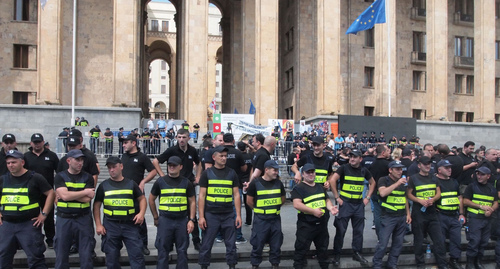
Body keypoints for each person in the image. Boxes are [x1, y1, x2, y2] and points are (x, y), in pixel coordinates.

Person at [0, 150, 55, 268]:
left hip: (28, 225)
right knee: (3, 257)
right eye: (8, 163)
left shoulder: (35, 178)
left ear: (22, 162)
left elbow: (51, 193)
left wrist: (44, 214)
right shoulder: (3, 179)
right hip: (7, 225)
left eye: (14, 162)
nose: (10, 165)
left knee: (35, 257)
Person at [152, 128, 202, 250]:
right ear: (176, 138)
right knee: (171, 213)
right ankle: (168, 242)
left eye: (184, 137)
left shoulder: (192, 150)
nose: (181, 140)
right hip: (173, 185)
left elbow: (199, 163)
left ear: (188, 138)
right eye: (179, 137)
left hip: (188, 184)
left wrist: (198, 177)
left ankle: (196, 241)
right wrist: (162, 176)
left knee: (192, 213)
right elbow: (155, 161)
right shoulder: (172, 150)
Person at [93, 156, 147, 269]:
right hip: (111, 226)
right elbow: (96, 205)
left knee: (137, 256)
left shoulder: (131, 184)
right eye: (109, 168)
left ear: (121, 166)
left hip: (130, 225)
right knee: (111, 259)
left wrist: (141, 213)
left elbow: (142, 199)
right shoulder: (103, 186)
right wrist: (98, 224)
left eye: (114, 167)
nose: (112, 170)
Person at [198, 146, 241, 269]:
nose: (224, 158)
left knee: (231, 245)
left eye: (225, 156)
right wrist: (201, 217)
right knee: (206, 244)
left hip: (228, 214)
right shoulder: (207, 174)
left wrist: (238, 215)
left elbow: (236, 195)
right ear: (214, 157)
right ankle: (204, 266)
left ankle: (232, 266)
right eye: (221, 156)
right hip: (211, 214)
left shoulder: (232, 173)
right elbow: (201, 196)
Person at [149, 156, 196, 269]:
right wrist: (156, 217)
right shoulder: (160, 182)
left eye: (174, 165)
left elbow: (192, 202)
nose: (171, 167)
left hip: (181, 220)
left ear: (180, 167)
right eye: (170, 165)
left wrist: (191, 220)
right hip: (165, 220)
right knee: (162, 249)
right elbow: (151, 199)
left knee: (182, 250)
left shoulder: (186, 182)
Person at [330, 148, 375, 267]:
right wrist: (337, 197)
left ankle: (357, 253)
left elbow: (373, 183)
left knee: (358, 232)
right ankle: (337, 255)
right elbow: (332, 180)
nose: (352, 159)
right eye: (351, 157)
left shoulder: (364, 170)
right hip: (345, 204)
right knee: (341, 231)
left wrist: (367, 197)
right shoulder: (343, 168)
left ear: (360, 159)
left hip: (358, 205)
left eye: (355, 157)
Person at [53, 149, 95, 269]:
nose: (80, 162)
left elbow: (88, 198)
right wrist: (83, 192)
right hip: (64, 219)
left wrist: (69, 194)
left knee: (86, 254)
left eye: (81, 160)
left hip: (83, 218)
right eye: (77, 160)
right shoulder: (60, 176)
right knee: (61, 253)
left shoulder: (88, 177)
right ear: (68, 161)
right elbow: (65, 196)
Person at [292, 163, 338, 269]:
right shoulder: (298, 188)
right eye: (308, 172)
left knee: (323, 250)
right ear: (303, 174)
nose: (311, 174)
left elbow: (326, 199)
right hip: (306, 225)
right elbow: (297, 204)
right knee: (301, 250)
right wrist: (313, 211)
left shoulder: (320, 187)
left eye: (312, 172)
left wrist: (330, 207)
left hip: (321, 225)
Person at [407, 156, 448, 269]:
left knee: (439, 240)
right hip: (418, 212)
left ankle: (442, 264)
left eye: (429, 164)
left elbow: (438, 193)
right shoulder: (414, 178)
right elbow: (408, 194)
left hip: (432, 212)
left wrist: (433, 200)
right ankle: (420, 265)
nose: (427, 166)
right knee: (419, 240)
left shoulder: (434, 178)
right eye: (425, 164)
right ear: (419, 165)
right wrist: (419, 200)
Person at [121, 134, 158, 255]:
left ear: (133, 143)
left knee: (140, 219)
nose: (124, 145)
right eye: (123, 143)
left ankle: (143, 244)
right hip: (124, 193)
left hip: (137, 194)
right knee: (125, 219)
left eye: (126, 142)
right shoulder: (123, 157)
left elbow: (153, 171)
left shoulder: (142, 157)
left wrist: (143, 181)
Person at [246, 160, 286, 269]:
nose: (276, 172)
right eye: (274, 170)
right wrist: (259, 210)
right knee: (258, 243)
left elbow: (282, 199)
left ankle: (275, 264)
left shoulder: (279, 183)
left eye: (277, 170)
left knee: (276, 244)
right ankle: (255, 264)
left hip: (275, 218)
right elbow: (249, 201)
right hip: (261, 219)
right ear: (266, 170)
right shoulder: (255, 183)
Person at [372, 160, 411, 269]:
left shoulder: (403, 182)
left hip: (401, 216)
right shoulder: (383, 180)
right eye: (397, 169)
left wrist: (408, 214)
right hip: (388, 216)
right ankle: (377, 264)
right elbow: (383, 192)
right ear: (390, 170)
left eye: (401, 169)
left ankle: (392, 264)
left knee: (398, 244)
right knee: (383, 243)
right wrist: (397, 183)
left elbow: (405, 198)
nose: (400, 171)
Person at [24, 133, 60, 249]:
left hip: (48, 192)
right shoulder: (26, 157)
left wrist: (57, 192)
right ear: (31, 143)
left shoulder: (52, 156)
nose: (37, 144)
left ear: (43, 142)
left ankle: (50, 239)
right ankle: (34, 239)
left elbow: (59, 174)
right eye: (35, 142)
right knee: (32, 217)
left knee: (48, 216)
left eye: (39, 142)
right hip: (31, 193)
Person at [463, 167, 497, 269]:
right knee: (475, 241)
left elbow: (495, 202)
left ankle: (478, 262)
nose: (479, 176)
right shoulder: (472, 186)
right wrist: (481, 207)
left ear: (488, 176)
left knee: (483, 242)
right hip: (475, 218)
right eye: (478, 174)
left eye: (482, 174)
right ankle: (470, 263)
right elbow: (465, 201)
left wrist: (491, 210)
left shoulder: (492, 188)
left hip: (487, 219)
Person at [434, 159, 464, 269]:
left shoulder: (454, 181)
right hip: (441, 215)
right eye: (446, 168)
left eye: (450, 167)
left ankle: (454, 260)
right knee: (440, 241)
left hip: (454, 215)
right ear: (439, 170)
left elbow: (459, 198)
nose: (449, 170)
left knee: (456, 239)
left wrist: (461, 214)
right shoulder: (434, 181)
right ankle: (441, 263)